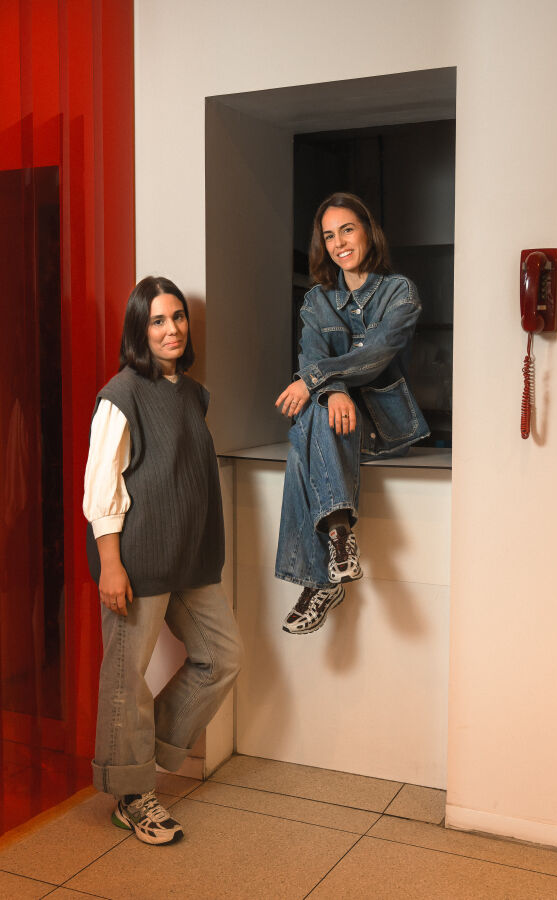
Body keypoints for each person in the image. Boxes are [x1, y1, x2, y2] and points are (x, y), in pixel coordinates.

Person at [83, 276, 242, 845]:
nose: (171, 329)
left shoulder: (193, 393)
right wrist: (111, 565)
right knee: (126, 680)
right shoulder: (121, 394)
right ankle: (131, 796)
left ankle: (139, 760)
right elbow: (101, 485)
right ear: (139, 330)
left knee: (222, 658)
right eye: (157, 320)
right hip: (138, 561)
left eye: (177, 317)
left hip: (189, 560)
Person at [275, 193, 429, 634]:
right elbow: (311, 354)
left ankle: (320, 579)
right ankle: (340, 543)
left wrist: (317, 382)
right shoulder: (316, 301)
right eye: (329, 236)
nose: (339, 243)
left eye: (347, 230)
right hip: (335, 429)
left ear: (368, 231)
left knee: (304, 428)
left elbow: (375, 356)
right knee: (312, 420)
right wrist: (334, 392)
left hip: (384, 428)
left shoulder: (400, 292)